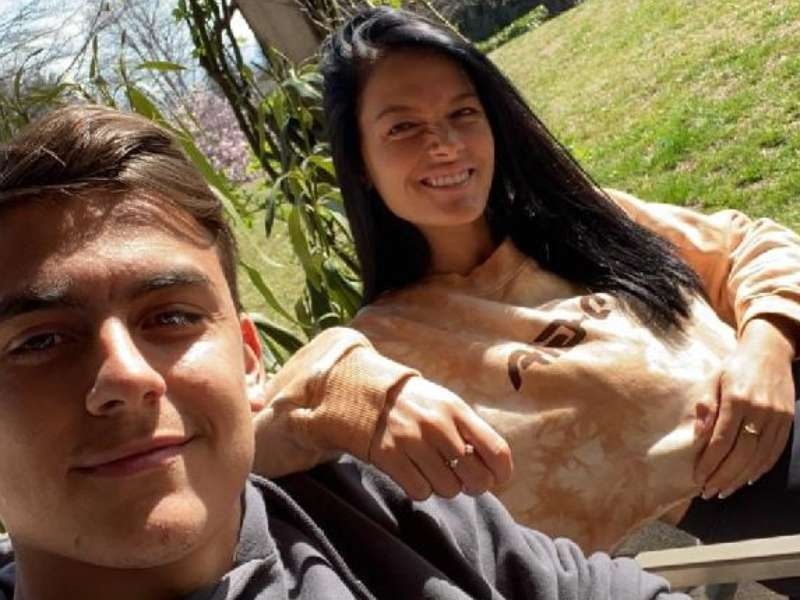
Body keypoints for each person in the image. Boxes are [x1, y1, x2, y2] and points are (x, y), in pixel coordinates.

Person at [0, 104, 689, 600]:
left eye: (173, 317)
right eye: (40, 341)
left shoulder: (372, 505)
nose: (126, 374)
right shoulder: (396, 339)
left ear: (249, 358)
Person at [249, 6, 800, 595]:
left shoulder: (578, 221)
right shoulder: (386, 349)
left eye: (463, 113)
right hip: (733, 546)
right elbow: (244, 456)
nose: (445, 144)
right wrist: (337, 377)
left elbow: (752, 245)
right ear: (359, 162)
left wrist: (765, 352)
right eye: (403, 127)